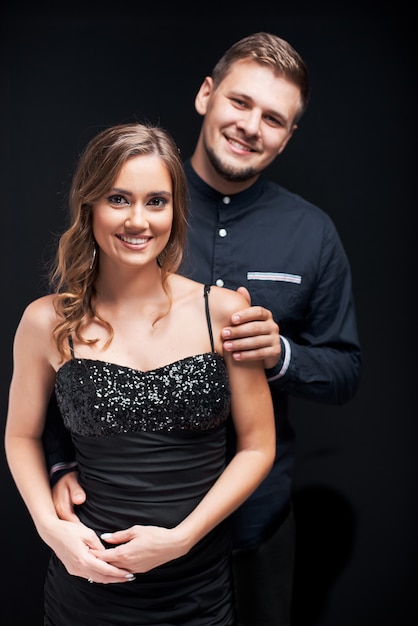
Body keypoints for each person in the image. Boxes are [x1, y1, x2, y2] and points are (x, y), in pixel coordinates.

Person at [43, 32, 362, 625]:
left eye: (273, 118)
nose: (250, 126)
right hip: (122, 526)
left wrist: (282, 355)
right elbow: (65, 354)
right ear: (206, 95)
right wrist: (59, 466)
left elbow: (346, 368)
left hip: (256, 523)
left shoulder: (312, 233)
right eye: (240, 102)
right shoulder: (133, 214)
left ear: (288, 135)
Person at [4, 122, 276, 626]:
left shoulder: (223, 312)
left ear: (175, 210)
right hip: (86, 581)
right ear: (89, 206)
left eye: (156, 201)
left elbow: (258, 446)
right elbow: (21, 435)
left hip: (196, 591)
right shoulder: (45, 321)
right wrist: (50, 529)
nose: (138, 219)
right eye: (118, 198)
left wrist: (182, 538)